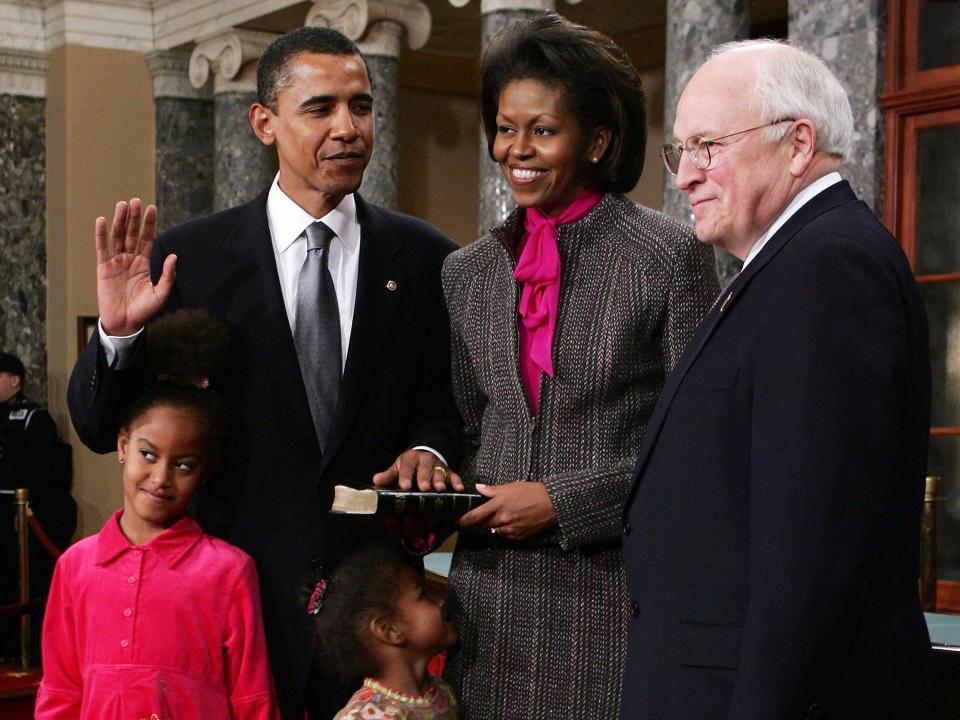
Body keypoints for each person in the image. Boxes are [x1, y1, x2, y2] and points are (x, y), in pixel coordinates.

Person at [67, 26, 461, 718]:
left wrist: (428, 450)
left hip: (372, 620)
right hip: (229, 612)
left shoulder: (425, 258)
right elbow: (102, 427)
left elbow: (449, 403)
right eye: (321, 108)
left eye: (362, 107)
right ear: (263, 123)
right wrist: (120, 332)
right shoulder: (190, 260)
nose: (348, 128)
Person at [382, 13, 717, 718]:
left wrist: (565, 501)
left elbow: (696, 450)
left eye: (543, 129)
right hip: (488, 603)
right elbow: (473, 427)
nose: (517, 150)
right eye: (505, 128)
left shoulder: (668, 257)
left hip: (611, 597)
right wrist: (433, 480)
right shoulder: (465, 272)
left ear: (597, 140)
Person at [621, 39, 933, 719]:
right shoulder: (787, 266)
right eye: (682, 150)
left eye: (707, 146)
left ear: (797, 145)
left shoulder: (828, 270)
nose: (685, 175)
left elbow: (811, 556)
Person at [36, 310, 279, 719]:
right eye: (148, 454)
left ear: (205, 472)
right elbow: (60, 691)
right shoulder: (75, 567)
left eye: (183, 464)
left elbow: (252, 698)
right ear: (123, 446)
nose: (161, 477)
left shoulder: (229, 571)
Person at [306, 540, 458, 720]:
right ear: (389, 630)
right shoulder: (365, 716)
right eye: (422, 596)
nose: (440, 603)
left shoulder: (442, 693)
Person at [0, 352, 76, 662]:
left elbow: (39, 471)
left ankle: (23, 650)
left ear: (14, 380)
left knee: (21, 583)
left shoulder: (34, 417)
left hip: (21, 513)